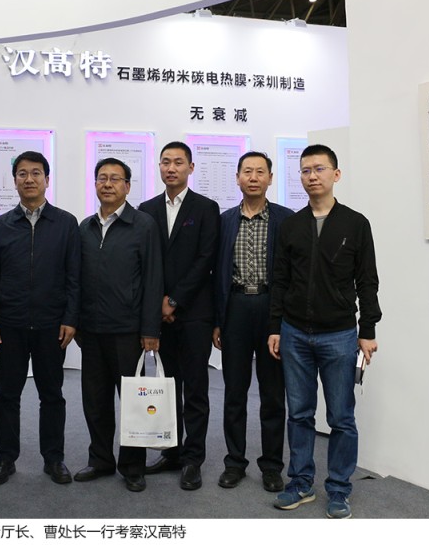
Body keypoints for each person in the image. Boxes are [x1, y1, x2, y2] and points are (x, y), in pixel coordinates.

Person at [268, 144, 381, 519]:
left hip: (340, 335)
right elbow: (280, 280)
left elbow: (367, 281)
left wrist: (367, 330)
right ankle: (300, 483)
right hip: (294, 333)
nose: (311, 176)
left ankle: (339, 488)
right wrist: (275, 327)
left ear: (336, 174)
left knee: (341, 417)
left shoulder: (355, 223)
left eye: (319, 168)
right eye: (305, 170)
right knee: (299, 414)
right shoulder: (291, 225)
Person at [0, 151, 80, 486]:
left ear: (47, 180)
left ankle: (54, 458)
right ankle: (5, 458)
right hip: (9, 324)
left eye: (36, 173)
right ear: (14, 181)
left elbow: (74, 276)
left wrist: (71, 318)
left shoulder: (66, 223)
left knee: (51, 394)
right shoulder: (1, 225)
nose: (29, 179)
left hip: (52, 324)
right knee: (7, 394)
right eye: (22, 173)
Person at [74, 157, 163, 493]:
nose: (107, 184)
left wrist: (150, 329)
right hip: (92, 330)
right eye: (102, 178)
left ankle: (132, 466)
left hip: (128, 331)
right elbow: (76, 280)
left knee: (133, 402)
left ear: (127, 186)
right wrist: (76, 323)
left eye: (115, 179)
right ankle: (100, 459)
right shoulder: (85, 227)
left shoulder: (143, 225)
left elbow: (153, 278)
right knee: (95, 401)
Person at [138, 141, 220, 491]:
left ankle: (192, 459)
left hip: (195, 313)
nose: (171, 168)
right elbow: (144, 261)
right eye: (165, 162)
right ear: (159, 167)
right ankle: (171, 452)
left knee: (195, 388)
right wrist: (159, 303)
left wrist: (174, 299)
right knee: (166, 386)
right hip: (159, 315)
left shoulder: (206, 208)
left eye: (178, 162)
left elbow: (206, 259)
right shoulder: (146, 209)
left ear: (191, 168)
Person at [212, 151, 293, 493]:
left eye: (261, 172)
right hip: (235, 309)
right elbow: (215, 274)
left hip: (271, 309)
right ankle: (235, 462)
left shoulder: (286, 220)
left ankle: (272, 466)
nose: (254, 177)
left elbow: (292, 274)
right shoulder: (224, 221)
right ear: (238, 178)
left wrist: (283, 321)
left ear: (270, 178)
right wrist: (218, 320)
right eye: (248, 171)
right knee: (234, 391)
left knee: (273, 394)